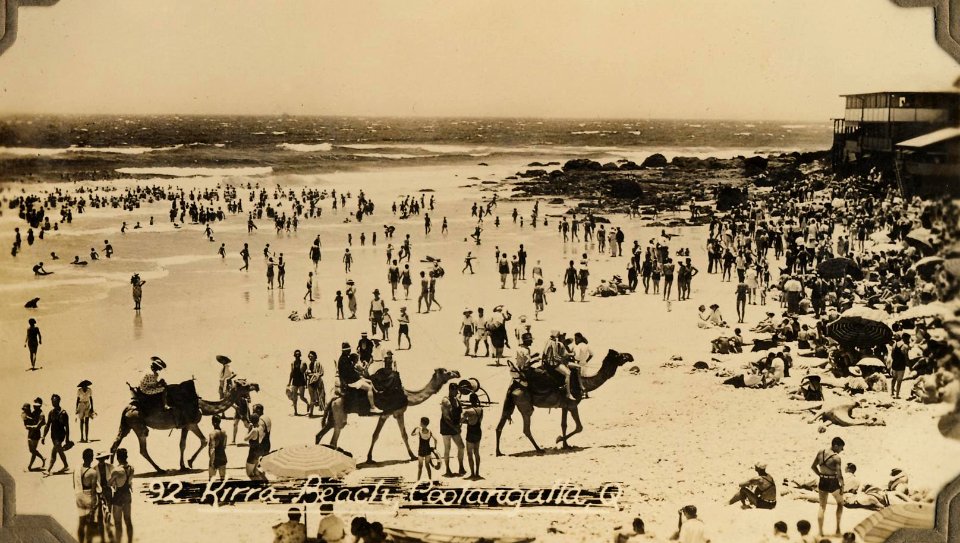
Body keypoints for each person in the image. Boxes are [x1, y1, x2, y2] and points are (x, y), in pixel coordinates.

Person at [812, 437, 845, 537]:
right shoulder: (836, 458)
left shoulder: (821, 452)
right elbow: (839, 475)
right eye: (841, 447)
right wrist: (842, 486)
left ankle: (820, 532)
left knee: (822, 507)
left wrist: (820, 475)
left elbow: (813, 466)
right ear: (835, 445)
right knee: (840, 503)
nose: (842, 450)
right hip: (833, 482)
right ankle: (838, 529)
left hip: (822, 481)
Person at [337, 343, 381, 413]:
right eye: (349, 350)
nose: (350, 351)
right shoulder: (345, 360)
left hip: (352, 379)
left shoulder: (344, 358)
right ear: (346, 350)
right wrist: (359, 377)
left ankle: (376, 392)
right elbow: (350, 374)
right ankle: (372, 407)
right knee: (369, 387)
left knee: (369, 381)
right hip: (351, 381)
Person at [440, 383, 466, 477]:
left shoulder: (457, 400)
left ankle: (461, 466)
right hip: (446, 428)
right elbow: (446, 418)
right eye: (455, 390)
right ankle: (447, 469)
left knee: (461, 447)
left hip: (455, 427)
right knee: (447, 448)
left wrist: (461, 423)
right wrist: (456, 427)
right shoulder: (445, 401)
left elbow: (460, 413)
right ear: (451, 390)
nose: (457, 392)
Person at [109, 448, 134, 543]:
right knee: (128, 520)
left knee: (118, 522)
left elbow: (110, 483)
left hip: (118, 495)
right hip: (127, 494)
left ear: (117, 457)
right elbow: (129, 481)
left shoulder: (116, 470)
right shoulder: (131, 468)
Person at [74, 448, 99, 543]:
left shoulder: (77, 469)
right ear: (92, 459)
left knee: (81, 523)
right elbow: (93, 491)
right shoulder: (93, 472)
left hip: (80, 497)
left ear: (83, 458)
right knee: (90, 524)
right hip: (88, 498)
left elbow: (75, 485)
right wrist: (94, 503)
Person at [42, 393, 70, 475]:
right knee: (59, 450)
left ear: (59, 401)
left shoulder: (64, 413)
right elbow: (47, 425)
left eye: (55, 401)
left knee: (54, 451)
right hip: (53, 436)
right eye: (52, 401)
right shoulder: (51, 412)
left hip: (60, 435)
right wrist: (43, 436)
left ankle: (48, 470)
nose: (53, 403)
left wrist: (67, 440)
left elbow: (67, 427)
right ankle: (66, 465)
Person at [463, 393, 484, 480]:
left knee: (469, 454)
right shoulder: (481, 410)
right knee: (477, 452)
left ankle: (472, 473)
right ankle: (477, 473)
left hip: (471, 432)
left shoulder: (468, 411)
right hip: (478, 431)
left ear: (470, 400)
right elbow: (480, 420)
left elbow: (461, 420)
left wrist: (467, 422)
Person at [22, 400, 46, 471]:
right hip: (31, 433)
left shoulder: (41, 414)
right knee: (32, 450)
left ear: (40, 406)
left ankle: (30, 466)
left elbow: (38, 426)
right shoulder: (34, 412)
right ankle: (41, 459)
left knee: (33, 451)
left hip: (36, 434)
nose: (34, 406)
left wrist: (29, 426)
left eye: (36, 405)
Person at [411, 417, 437, 481]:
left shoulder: (419, 431)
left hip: (421, 451)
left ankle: (418, 480)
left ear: (422, 423)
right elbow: (436, 440)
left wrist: (415, 428)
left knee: (420, 467)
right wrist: (435, 447)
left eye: (420, 422)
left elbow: (412, 434)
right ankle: (430, 479)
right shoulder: (430, 431)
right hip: (428, 450)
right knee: (427, 466)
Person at [244, 413, 267, 481]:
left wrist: (248, 430)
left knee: (249, 474)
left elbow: (245, 438)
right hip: (259, 449)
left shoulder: (254, 430)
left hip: (253, 451)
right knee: (254, 470)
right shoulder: (261, 428)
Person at [288, 350, 308, 416]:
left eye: (298, 354)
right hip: (295, 381)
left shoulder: (303, 363)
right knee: (294, 397)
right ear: (294, 355)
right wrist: (289, 382)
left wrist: (307, 383)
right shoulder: (292, 363)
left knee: (302, 397)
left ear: (300, 355)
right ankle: (295, 411)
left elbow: (306, 373)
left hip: (301, 381)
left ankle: (308, 404)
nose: (297, 356)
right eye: (296, 354)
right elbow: (291, 373)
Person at [208, 415, 228, 481]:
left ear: (213, 422)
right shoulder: (224, 433)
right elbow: (224, 446)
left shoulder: (212, 434)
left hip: (215, 458)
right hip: (223, 456)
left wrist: (211, 461)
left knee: (211, 481)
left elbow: (212, 449)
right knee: (222, 480)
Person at [891, 333, 910, 398]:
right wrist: (908, 364)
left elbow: (892, 355)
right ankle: (897, 395)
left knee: (894, 378)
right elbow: (906, 357)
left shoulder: (894, 345)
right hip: (901, 365)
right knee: (899, 380)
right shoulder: (905, 346)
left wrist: (895, 360)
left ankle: (892, 392)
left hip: (894, 364)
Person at [306, 351, 325, 417]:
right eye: (309, 356)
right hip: (311, 382)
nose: (310, 357)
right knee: (312, 398)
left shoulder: (318, 363)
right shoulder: (309, 364)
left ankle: (325, 412)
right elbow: (307, 374)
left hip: (318, 382)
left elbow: (322, 373)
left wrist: (313, 375)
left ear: (315, 356)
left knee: (321, 396)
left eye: (311, 356)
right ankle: (311, 412)